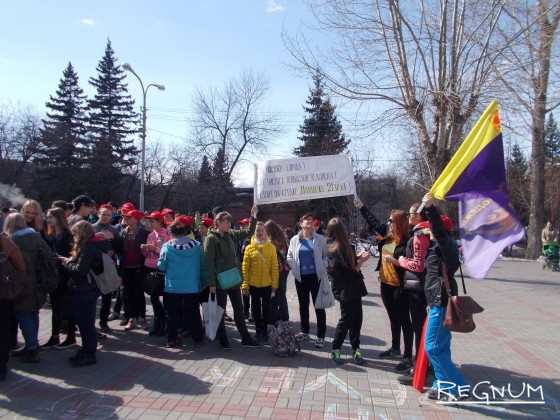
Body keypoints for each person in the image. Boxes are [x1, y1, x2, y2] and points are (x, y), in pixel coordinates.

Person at [418, 193, 468, 401]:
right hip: (437, 301)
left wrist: (430, 208)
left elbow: (438, 229)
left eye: (431, 228)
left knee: (432, 347)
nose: (428, 230)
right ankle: (442, 384)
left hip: (441, 302)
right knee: (442, 347)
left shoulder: (446, 245)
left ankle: (457, 387)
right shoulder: (440, 247)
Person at [355, 198, 413, 373]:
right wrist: (361, 206)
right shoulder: (388, 236)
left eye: (391, 221)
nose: (388, 223)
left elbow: (411, 265)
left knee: (404, 321)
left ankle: (408, 356)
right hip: (386, 284)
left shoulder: (408, 242)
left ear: (399, 223)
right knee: (393, 318)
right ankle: (395, 348)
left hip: (400, 287)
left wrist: (395, 261)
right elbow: (373, 222)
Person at [204, 206, 262, 349]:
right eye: (226, 222)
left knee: (239, 310)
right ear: (218, 222)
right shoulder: (211, 239)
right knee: (221, 311)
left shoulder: (231, 234)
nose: (229, 224)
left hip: (234, 280)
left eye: (230, 222)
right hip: (220, 282)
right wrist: (211, 283)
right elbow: (209, 263)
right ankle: (223, 339)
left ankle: (245, 338)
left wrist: (253, 216)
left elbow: (248, 232)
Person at [59, 221, 111, 367]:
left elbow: (80, 271)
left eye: (75, 234)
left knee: (86, 324)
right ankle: (85, 350)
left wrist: (67, 263)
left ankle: (89, 354)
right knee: (83, 323)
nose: (73, 237)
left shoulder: (88, 247)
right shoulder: (93, 245)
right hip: (87, 289)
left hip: (85, 289)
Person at [4, 213, 50, 363]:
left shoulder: (11, 241)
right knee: (33, 314)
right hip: (38, 282)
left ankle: (32, 348)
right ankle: (32, 344)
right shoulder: (37, 237)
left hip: (21, 283)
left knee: (24, 316)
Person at [325, 217, 370, 365]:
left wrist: (357, 257)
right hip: (346, 289)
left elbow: (348, 265)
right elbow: (350, 273)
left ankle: (356, 348)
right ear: (342, 231)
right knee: (347, 320)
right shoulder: (336, 249)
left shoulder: (341, 246)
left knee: (357, 319)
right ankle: (336, 348)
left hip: (352, 288)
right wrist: (361, 262)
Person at [157, 219, 206, 348]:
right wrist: (204, 281)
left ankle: (172, 339)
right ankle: (198, 339)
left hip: (172, 286)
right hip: (192, 286)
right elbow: (202, 266)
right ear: (185, 231)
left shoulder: (167, 246)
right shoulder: (197, 246)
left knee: (171, 314)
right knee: (194, 313)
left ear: (171, 232)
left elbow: (161, 267)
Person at [286, 212, 328, 348]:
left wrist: (324, 265)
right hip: (301, 278)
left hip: (316, 277)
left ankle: (321, 336)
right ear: (300, 223)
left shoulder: (320, 239)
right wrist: (293, 267)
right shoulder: (294, 240)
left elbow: (326, 255)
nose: (309, 221)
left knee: (319, 306)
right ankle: (305, 331)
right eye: (306, 219)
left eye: (311, 219)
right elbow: (289, 256)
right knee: (303, 305)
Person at [41, 207, 77, 349]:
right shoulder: (51, 234)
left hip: (65, 275)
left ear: (59, 218)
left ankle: (71, 337)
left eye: (51, 217)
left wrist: (64, 261)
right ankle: (54, 336)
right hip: (54, 275)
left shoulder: (67, 234)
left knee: (67, 306)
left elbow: (73, 255)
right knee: (55, 306)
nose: (48, 220)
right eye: (48, 217)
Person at [241, 221, 278, 343]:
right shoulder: (249, 248)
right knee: (255, 308)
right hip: (254, 283)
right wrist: (245, 285)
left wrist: (274, 284)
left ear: (265, 232)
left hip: (267, 283)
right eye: (258, 230)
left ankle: (266, 330)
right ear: (254, 232)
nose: (260, 233)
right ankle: (258, 330)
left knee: (266, 308)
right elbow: (245, 268)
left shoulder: (271, 247)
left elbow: (274, 267)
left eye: (262, 230)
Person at [0, 231, 26, 380]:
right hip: (4, 293)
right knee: (3, 330)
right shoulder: (4, 241)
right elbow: (20, 266)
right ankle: (1, 368)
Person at [141, 211, 171, 336]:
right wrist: (144, 250)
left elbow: (168, 252)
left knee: (164, 297)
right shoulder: (150, 235)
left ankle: (165, 323)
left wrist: (156, 249)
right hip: (149, 267)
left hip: (160, 268)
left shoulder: (167, 234)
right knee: (153, 297)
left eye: (152, 221)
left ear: (159, 221)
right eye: (149, 221)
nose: (150, 223)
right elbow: (147, 254)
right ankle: (157, 322)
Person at [118, 209, 149, 331]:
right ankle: (132, 317)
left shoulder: (143, 232)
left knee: (139, 293)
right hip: (126, 266)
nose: (126, 219)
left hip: (138, 266)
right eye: (125, 217)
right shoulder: (123, 231)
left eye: (129, 217)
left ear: (136, 219)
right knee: (128, 293)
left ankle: (142, 317)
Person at [91, 204, 120, 333]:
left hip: (108, 266)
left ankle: (103, 322)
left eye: (108, 215)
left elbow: (119, 248)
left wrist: (112, 240)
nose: (106, 217)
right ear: (98, 214)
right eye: (103, 214)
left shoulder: (114, 230)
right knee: (92, 296)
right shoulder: (91, 228)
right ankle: (90, 323)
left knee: (107, 296)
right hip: (93, 266)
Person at [264, 219, 290, 323]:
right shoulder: (278, 238)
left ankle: (284, 318)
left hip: (280, 269)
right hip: (279, 269)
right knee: (275, 295)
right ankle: (275, 316)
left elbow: (282, 254)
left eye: (266, 230)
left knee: (280, 295)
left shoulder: (277, 240)